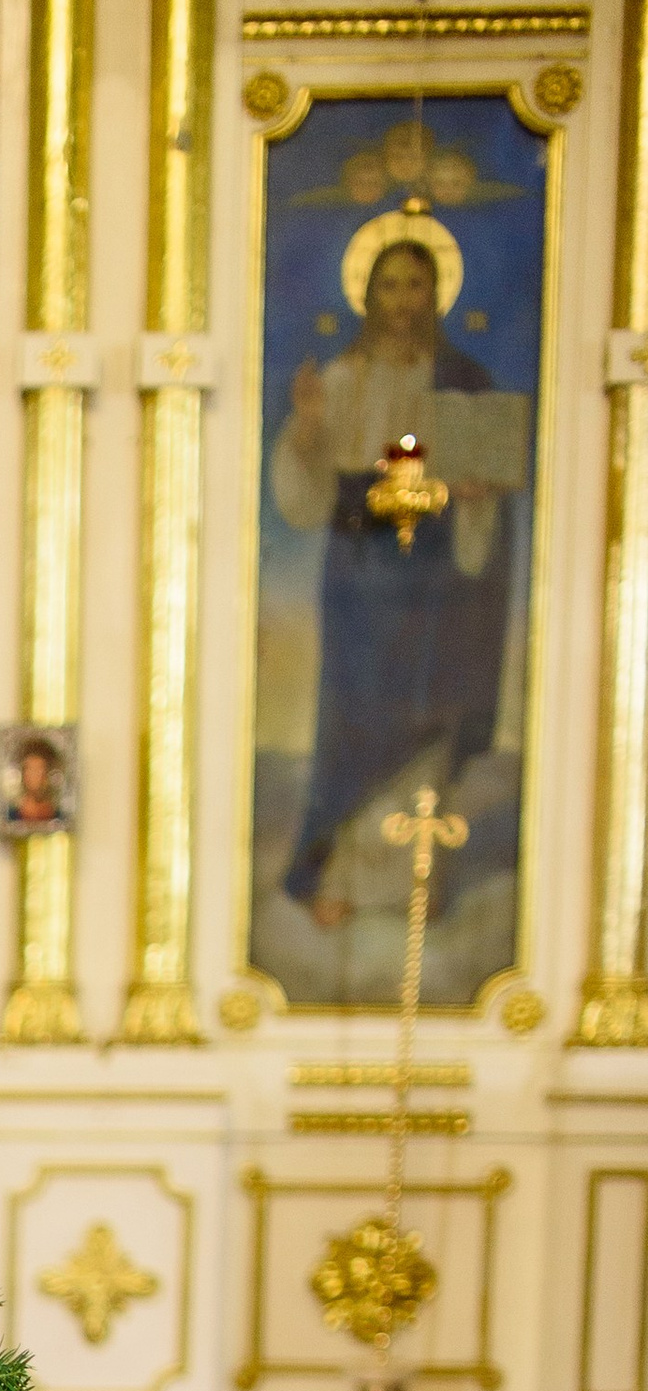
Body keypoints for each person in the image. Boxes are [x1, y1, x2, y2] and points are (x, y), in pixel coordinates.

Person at [269, 233, 527, 927]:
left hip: (438, 583)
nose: (402, 301)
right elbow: (307, 495)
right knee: (356, 724)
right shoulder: (344, 380)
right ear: (368, 295)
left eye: (415, 285)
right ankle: (339, 874)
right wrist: (309, 430)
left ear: (434, 294)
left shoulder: (462, 381)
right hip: (363, 580)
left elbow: (489, 488)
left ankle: (414, 877)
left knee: (427, 720)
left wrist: (477, 496)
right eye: (389, 286)